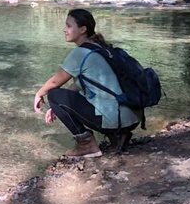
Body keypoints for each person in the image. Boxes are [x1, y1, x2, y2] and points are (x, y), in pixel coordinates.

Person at [33, 9, 141, 158]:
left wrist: (39, 94)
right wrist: (58, 107)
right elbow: (79, 85)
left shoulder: (81, 53)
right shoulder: (100, 47)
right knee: (58, 97)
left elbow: (54, 82)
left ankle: (87, 145)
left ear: (82, 29)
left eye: (69, 26)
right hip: (131, 118)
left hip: (116, 120)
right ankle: (118, 137)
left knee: (53, 93)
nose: (65, 30)